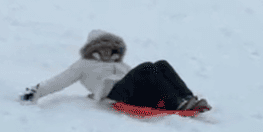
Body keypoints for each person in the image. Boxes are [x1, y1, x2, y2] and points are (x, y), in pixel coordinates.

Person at [20, 30, 211, 111]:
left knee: (160, 64)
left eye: (108, 46)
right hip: (115, 94)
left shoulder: (117, 62)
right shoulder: (83, 64)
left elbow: (136, 76)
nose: (105, 50)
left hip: (134, 93)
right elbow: (60, 80)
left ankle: (187, 98)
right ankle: (176, 103)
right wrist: (37, 91)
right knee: (146, 67)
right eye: (100, 46)